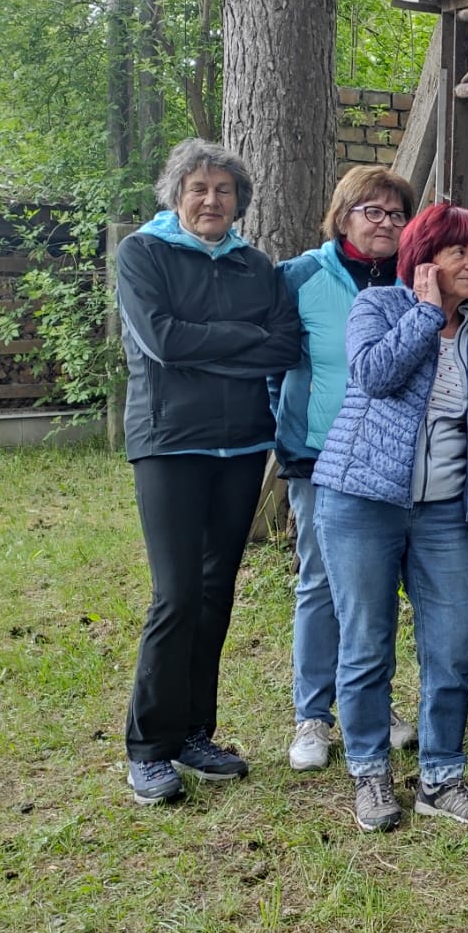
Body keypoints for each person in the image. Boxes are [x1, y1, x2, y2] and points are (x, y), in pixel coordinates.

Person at [311, 203, 468, 833]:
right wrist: (427, 314)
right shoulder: (379, 307)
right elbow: (374, 375)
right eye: (459, 251)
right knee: (367, 644)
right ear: (424, 257)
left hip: (444, 514)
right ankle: (370, 773)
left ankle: (441, 777)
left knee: (450, 647)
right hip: (361, 502)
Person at [117, 138, 302, 805]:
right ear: (176, 194)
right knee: (176, 595)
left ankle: (195, 733)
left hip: (243, 446)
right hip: (169, 443)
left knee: (215, 590)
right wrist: (244, 338)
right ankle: (148, 748)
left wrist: (214, 344)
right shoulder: (143, 253)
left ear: (239, 201)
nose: (210, 200)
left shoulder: (256, 266)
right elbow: (163, 342)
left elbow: (284, 346)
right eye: (198, 187)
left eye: (223, 190)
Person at [271, 165, 421, 772]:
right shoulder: (301, 276)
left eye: (397, 214)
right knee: (321, 582)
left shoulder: (415, 279)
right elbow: (274, 366)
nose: (386, 223)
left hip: (392, 459)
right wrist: (292, 428)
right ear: (342, 217)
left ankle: (372, 702)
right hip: (320, 458)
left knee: (374, 586)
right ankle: (312, 715)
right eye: (372, 211)